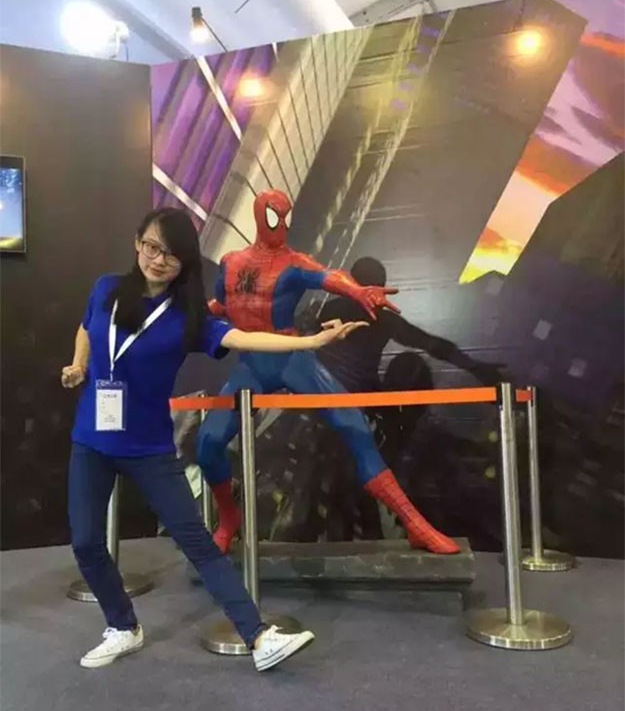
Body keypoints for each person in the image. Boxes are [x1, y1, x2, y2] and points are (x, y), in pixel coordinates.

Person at [62, 206, 365, 671]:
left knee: (197, 543)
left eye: (172, 254)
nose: (158, 259)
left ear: (184, 263)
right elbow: (87, 327)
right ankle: (122, 626)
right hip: (91, 439)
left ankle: (258, 636)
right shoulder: (106, 289)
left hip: (148, 450)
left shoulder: (188, 318)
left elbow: (246, 338)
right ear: (137, 243)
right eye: (152, 246)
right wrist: (79, 365)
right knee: (85, 542)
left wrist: (309, 343)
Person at [196, 188, 460, 556]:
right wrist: (189, 314)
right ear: (260, 215)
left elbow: (330, 276)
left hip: (292, 358)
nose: (281, 224)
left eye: (286, 216)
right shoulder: (231, 263)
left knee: (354, 427)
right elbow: (221, 305)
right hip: (252, 365)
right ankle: (228, 520)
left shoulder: (293, 263)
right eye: (274, 215)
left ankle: (414, 523)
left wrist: (360, 293)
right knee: (208, 442)